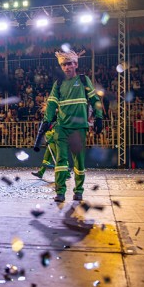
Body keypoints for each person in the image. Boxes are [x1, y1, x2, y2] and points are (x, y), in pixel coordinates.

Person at [40, 49, 103, 202]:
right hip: (61, 127)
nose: (67, 67)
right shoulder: (58, 83)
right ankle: (60, 192)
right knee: (61, 161)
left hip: (78, 128)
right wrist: (47, 120)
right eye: (64, 65)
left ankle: (79, 190)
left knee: (79, 161)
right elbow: (51, 103)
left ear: (76, 64)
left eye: (70, 64)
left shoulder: (83, 80)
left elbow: (94, 99)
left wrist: (99, 117)